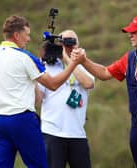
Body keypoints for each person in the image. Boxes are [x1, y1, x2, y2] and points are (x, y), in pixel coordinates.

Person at [0, 15, 84, 168]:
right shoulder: (25, 57)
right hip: (22, 120)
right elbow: (52, 84)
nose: (28, 39)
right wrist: (73, 64)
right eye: (27, 35)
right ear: (16, 35)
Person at [71, 16, 137, 168]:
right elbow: (104, 73)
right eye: (130, 32)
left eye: (135, 31)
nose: (130, 34)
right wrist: (83, 61)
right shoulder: (130, 59)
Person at [36, 30, 94, 168]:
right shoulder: (47, 66)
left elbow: (89, 83)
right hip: (52, 133)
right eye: (65, 42)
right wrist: (34, 74)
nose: (70, 46)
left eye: (73, 42)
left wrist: (69, 60)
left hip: (77, 134)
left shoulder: (83, 65)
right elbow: (37, 99)